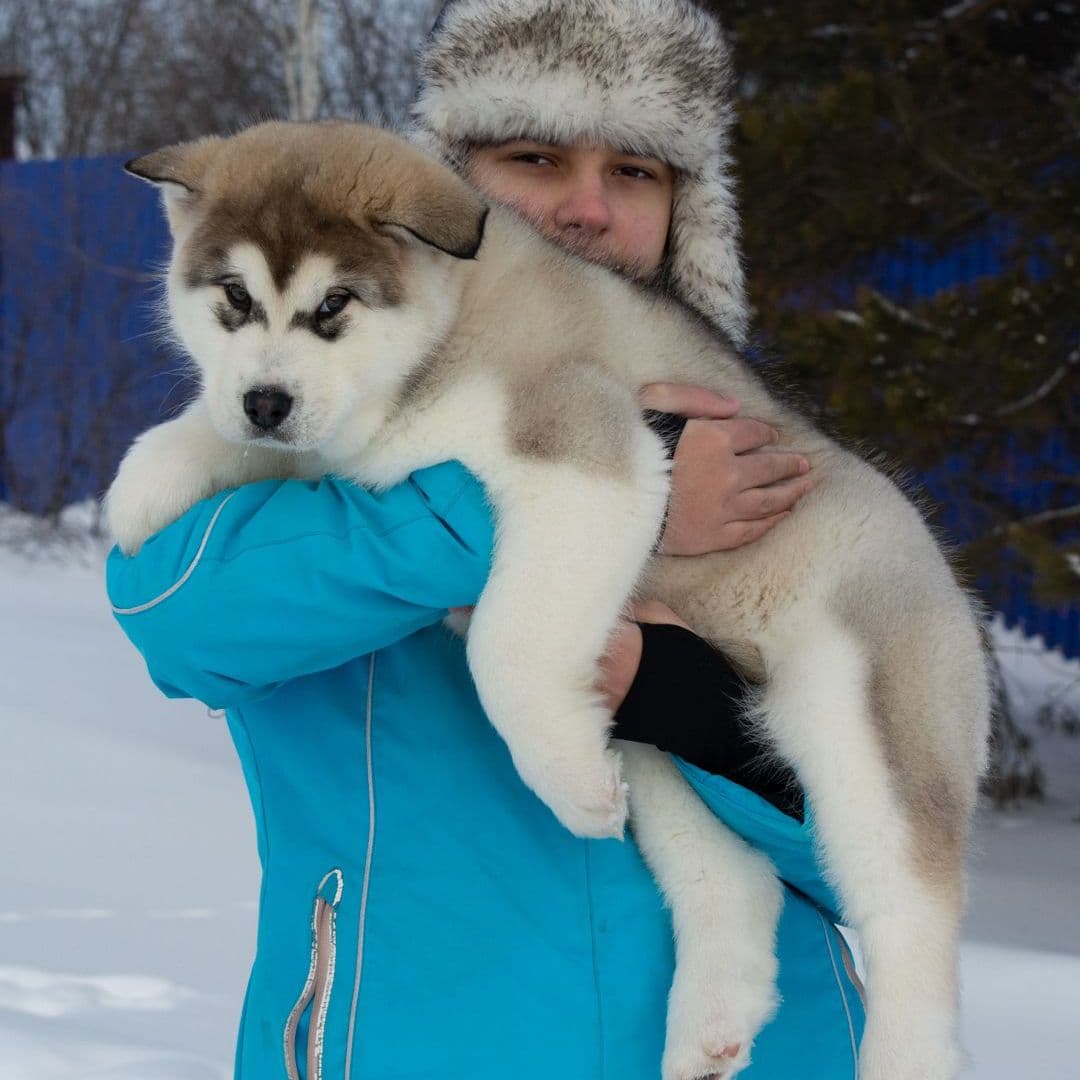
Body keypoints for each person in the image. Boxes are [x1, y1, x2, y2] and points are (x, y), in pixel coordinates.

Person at [106, 1, 864, 1077]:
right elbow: (180, 617)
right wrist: (589, 490)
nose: (589, 208)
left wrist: (678, 693)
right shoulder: (310, 413)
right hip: (423, 1040)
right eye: (536, 155)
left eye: (638, 171)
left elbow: (886, 845)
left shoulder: (753, 452)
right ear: (436, 189)